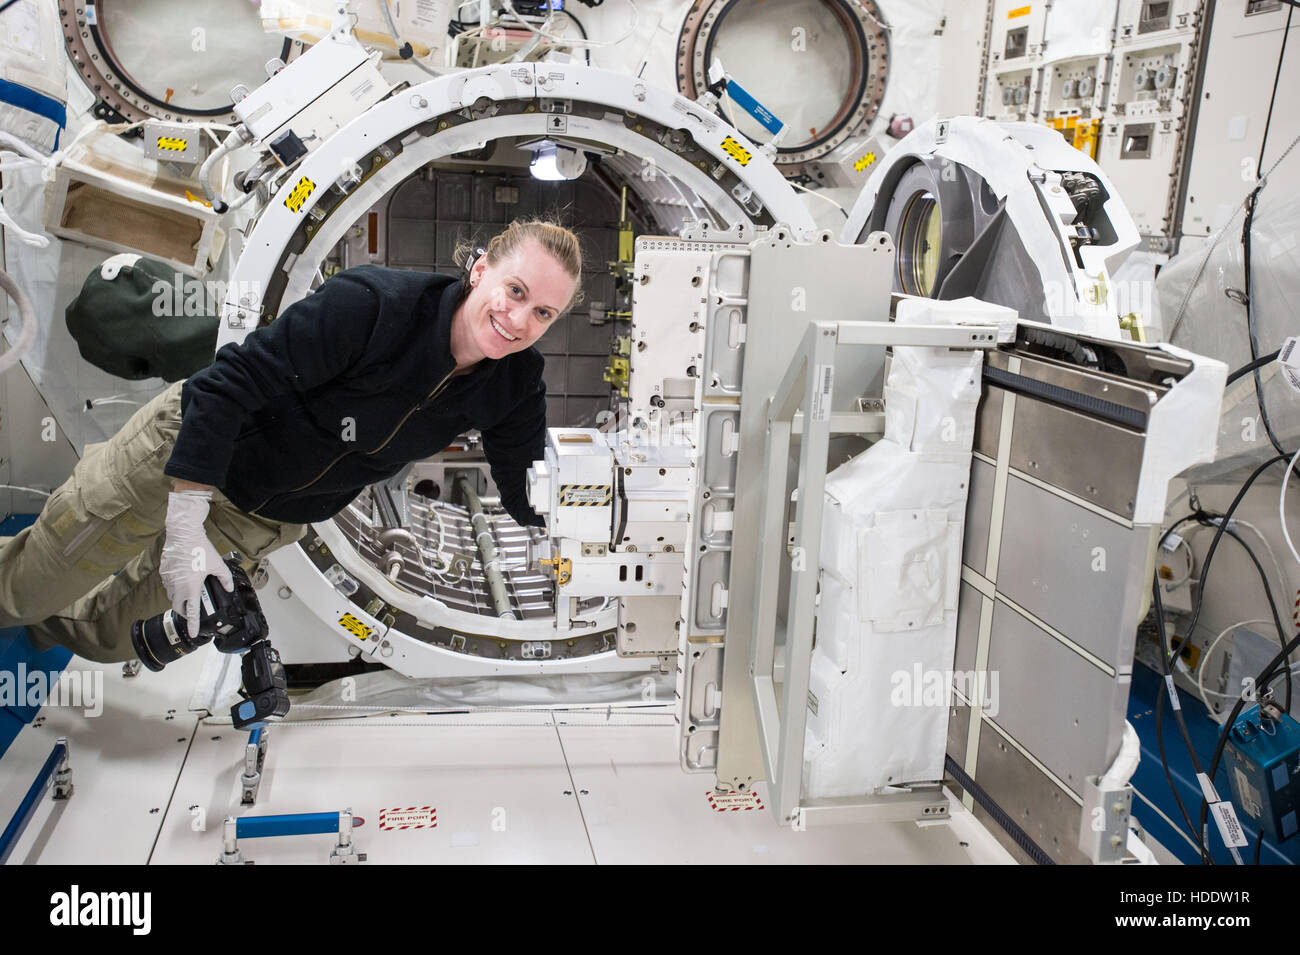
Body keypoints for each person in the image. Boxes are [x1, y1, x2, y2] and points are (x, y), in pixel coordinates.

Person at [0, 218, 582, 662]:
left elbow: (521, 484)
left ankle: (34, 626)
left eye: (543, 314)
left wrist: (583, 526)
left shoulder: (514, 381)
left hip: (259, 516)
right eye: (515, 290)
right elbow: (228, 385)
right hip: (187, 454)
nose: (519, 319)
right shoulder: (375, 307)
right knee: (30, 586)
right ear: (480, 269)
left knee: (116, 636)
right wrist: (183, 522)